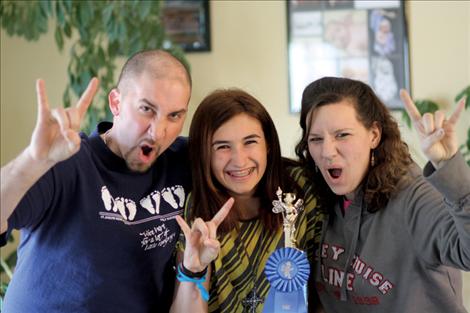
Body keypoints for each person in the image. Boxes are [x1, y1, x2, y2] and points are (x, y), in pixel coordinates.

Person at [0, 50, 194, 312]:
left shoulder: (182, 160)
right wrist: (33, 161)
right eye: (147, 109)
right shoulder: (67, 162)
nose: (159, 132)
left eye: (174, 116)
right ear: (115, 102)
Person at [294, 76, 470, 313]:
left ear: (374, 135)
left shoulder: (413, 196)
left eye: (342, 135)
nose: (327, 151)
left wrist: (449, 165)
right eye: (315, 139)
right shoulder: (316, 203)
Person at [170, 89, 324, 313]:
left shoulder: (300, 189)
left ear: (268, 145)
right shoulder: (197, 208)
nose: (240, 160)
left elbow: (326, 286)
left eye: (250, 142)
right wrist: (194, 270)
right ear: (204, 154)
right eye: (222, 147)